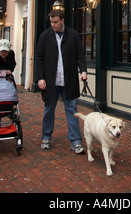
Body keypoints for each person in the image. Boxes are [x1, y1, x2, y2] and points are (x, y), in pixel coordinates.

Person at [35, 9, 87, 154]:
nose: (53, 25)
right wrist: (40, 78)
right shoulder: (45, 36)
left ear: (62, 20)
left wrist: (83, 70)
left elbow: (80, 55)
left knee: (72, 110)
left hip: (68, 80)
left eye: (55, 22)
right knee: (49, 110)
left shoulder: (73, 35)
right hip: (50, 81)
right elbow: (39, 58)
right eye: (51, 22)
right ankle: (46, 137)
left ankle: (76, 142)